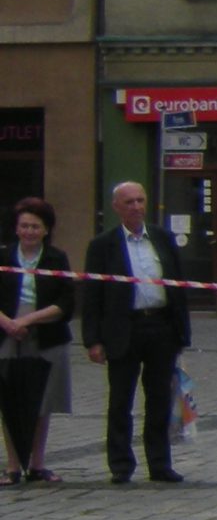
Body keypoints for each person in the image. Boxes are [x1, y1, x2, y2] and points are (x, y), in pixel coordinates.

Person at [81, 181, 191, 484]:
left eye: (140, 200)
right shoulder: (103, 245)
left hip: (160, 326)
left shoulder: (162, 238)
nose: (136, 207)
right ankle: (120, 464)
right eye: (129, 202)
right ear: (116, 206)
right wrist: (93, 339)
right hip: (123, 328)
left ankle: (159, 463)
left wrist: (181, 332)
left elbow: (178, 286)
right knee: (121, 400)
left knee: (159, 398)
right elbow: (92, 296)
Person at [0, 198, 75, 487]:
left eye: (35, 226)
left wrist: (29, 320)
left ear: (46, 230)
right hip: (6, 331)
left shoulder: (57, 258)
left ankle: (37, 464)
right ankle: (12, 466)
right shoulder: (4, 256)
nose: (29, 231)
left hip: (46, 333)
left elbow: (66, 302)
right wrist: (8, 322)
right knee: (10, 398)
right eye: (24, 226)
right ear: (16, 228)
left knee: (42, 400)